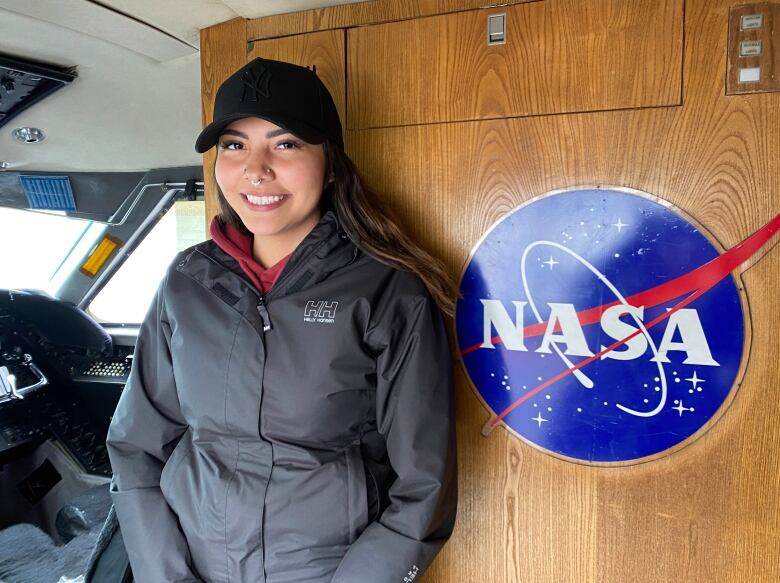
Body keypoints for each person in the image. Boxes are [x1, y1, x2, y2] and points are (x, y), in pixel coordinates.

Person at [105, 57, 458, 583]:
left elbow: (424, 488)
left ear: (331, 162)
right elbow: (136, 448)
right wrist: (166, 576)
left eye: (286, 143)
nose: (256, 169)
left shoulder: (386, 291)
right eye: (234, 144)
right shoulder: (188, 282)